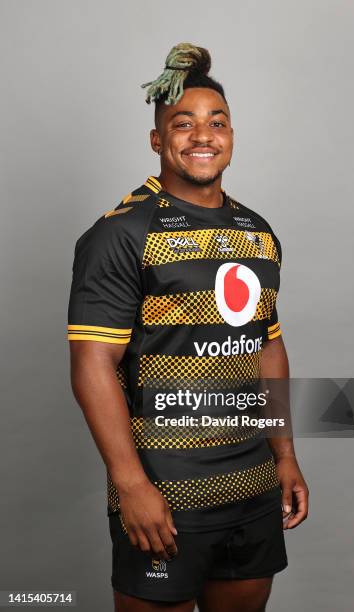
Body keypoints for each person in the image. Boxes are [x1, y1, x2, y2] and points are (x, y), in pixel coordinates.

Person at [67, 42, 309, 612]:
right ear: (158, 140)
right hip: (165, 493)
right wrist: (131, 486)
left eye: (217, 122)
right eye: (184, 123)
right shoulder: (121, 234)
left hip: (252, 489)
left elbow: (268, 350)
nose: (203, 136)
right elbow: (91, 365)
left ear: (231, 137)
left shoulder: (257, 231)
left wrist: (286, 456)